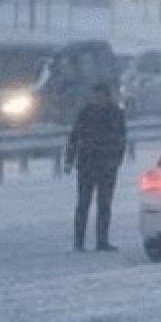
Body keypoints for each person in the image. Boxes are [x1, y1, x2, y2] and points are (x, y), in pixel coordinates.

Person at [66, 83, 126, 252]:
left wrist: (116, 161)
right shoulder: (86, 113)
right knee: (83, 204)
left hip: (107, 166)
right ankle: (79, 242)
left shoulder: (116, 114)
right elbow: (74, 136)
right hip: (86, 165)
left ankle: (102, 240)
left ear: (108, 96)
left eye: (101, 95)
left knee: (104, 205)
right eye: (95, 95)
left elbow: (121, 139)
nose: (98, 99)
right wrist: (69, 160)